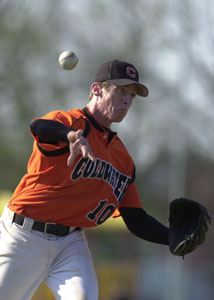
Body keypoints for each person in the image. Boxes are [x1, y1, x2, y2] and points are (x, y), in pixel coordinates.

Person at [0, 59, 169, 300]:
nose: (127, 100)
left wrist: (172, 238)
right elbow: (39, 127)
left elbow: (136, 219)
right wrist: (69, 136)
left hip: (70, 243)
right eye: (121, 90)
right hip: (23, 235)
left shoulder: (122, 159)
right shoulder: (71, 122)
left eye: (132, 95)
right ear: (97, 89)